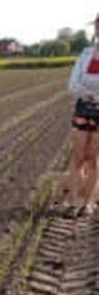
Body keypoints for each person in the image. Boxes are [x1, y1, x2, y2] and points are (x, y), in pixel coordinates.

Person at [67, 14, 99, 216]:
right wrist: (91, 94)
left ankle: (89, 202)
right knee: (79, 157)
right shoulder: (85, 54)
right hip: (82, 109)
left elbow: (82, 83)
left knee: (95, 159)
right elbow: (73, 85)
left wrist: (90, 91)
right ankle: (75, 201)